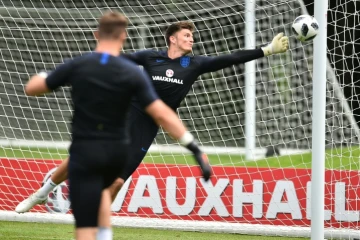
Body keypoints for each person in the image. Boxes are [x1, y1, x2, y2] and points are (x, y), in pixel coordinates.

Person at [16, 20, 289, 214]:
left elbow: (231, 58)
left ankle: (96, 223)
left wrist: (266, 50)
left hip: (147, 127)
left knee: (118, 180)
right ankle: (42, 193)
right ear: (172, 39)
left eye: (192, 36)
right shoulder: (149, 57)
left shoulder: (194, 65)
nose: (191, 39)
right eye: (186, 35)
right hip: (123, 114)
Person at [22, 12, 210, 240]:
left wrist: (44, 76)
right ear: (123, 37)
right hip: (115, 149)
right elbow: (162, 113)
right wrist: (194, 148)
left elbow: (33, 89)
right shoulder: (132, 73)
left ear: (96, 34)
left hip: (87, 148)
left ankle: (63, 206)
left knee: (85, 224)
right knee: (101, 201)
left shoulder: (80, 65)